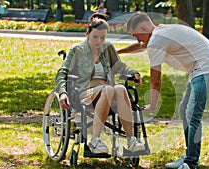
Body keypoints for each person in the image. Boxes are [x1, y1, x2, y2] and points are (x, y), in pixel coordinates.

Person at [123, 12, 209, 169]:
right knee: (185, 111)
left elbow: (155, 81)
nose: (136, 39)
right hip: (199, 67)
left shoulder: (156, 40)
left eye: (136, 35)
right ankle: (189, 156)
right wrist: (117, 52)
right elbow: (141, 45)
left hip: (207, 67)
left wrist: (153, 105)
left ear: (143, 27)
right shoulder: (160, 32)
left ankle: (191, 163)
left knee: (192, 114)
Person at [55, 17, 145, 154]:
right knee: (109, 89)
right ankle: (95, 140)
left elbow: (119, 66)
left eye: (102, 38)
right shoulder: (77, 50)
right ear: (87, 34)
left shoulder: (107, 48)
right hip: (85, 92)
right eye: (95, 37)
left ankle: (131, 140)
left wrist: (133, 73)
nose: (99, 41)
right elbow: (62, 73)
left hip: (107, 93)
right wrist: (62, 92)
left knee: (120, 88)